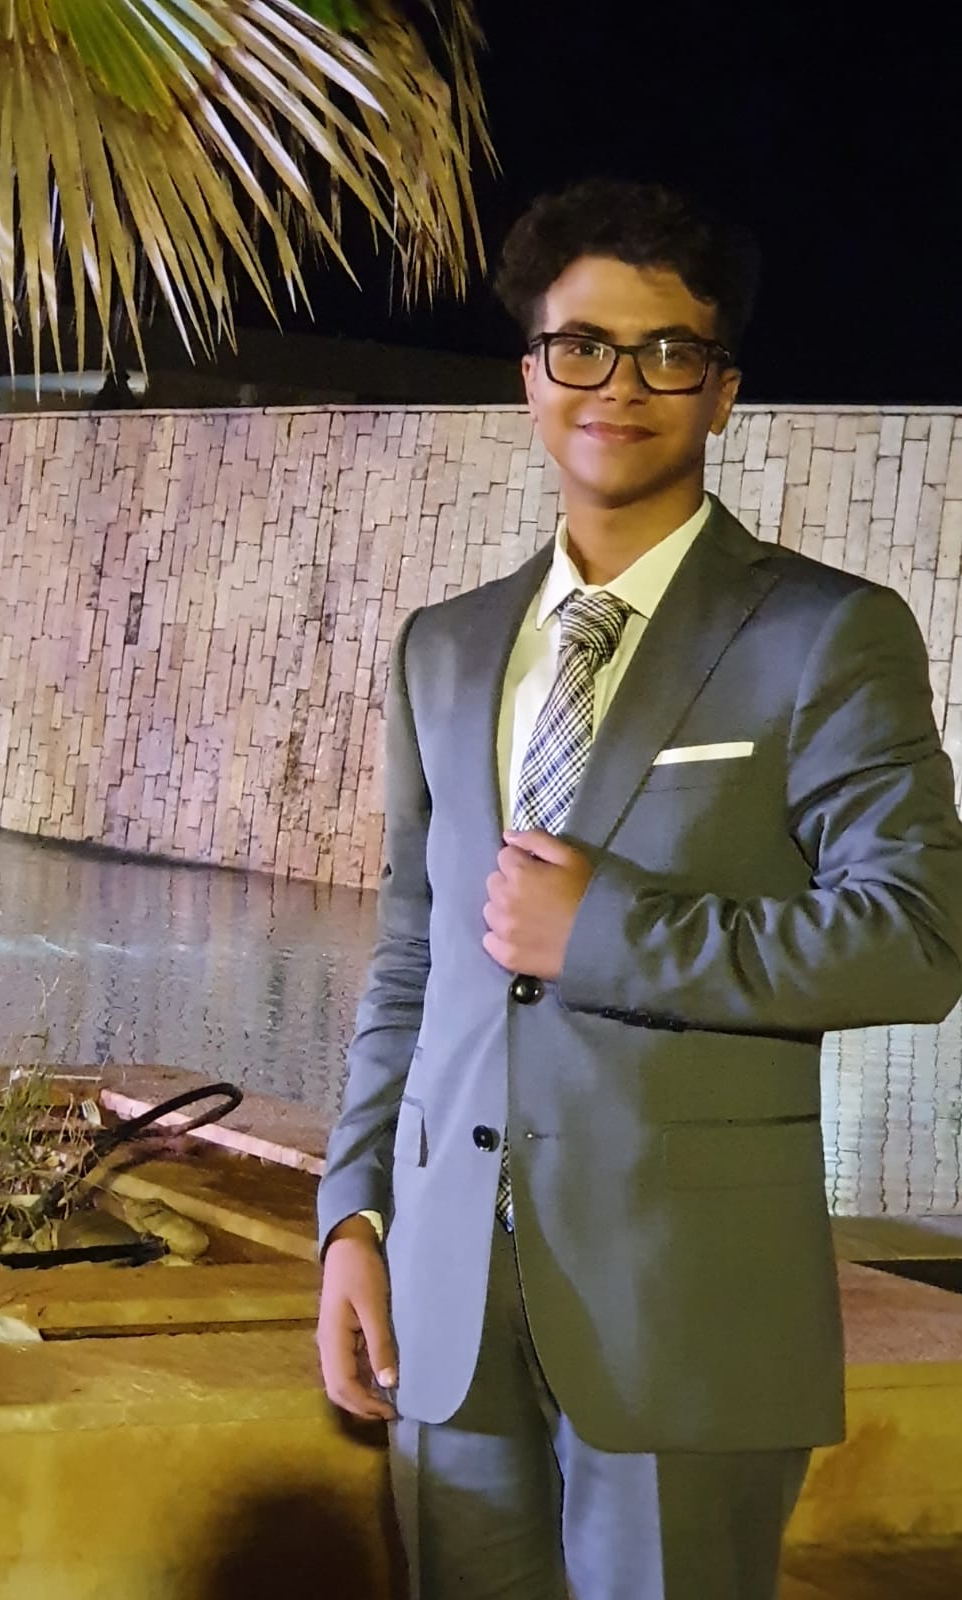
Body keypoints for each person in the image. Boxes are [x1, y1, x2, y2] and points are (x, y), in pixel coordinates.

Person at [315, 177, 962, 1600]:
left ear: (722, 391)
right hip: (447, 1304)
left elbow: (916, 940)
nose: (621, 383)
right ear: (531, 376)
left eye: (669, 351)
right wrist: (354, 1215)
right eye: (583, 346)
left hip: (688, 1309)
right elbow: (413, 958)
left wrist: (606, 933)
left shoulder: (826, 634)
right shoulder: (442, 648)